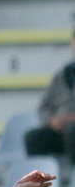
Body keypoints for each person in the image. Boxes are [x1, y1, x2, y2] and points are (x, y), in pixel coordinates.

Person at [24, 30, 75, 165]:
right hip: (62, 131)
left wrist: (70, 118)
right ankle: (41, 180)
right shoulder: (64, 74)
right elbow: (44, 106)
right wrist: (52, 121)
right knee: (33, 137)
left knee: (72, 130)